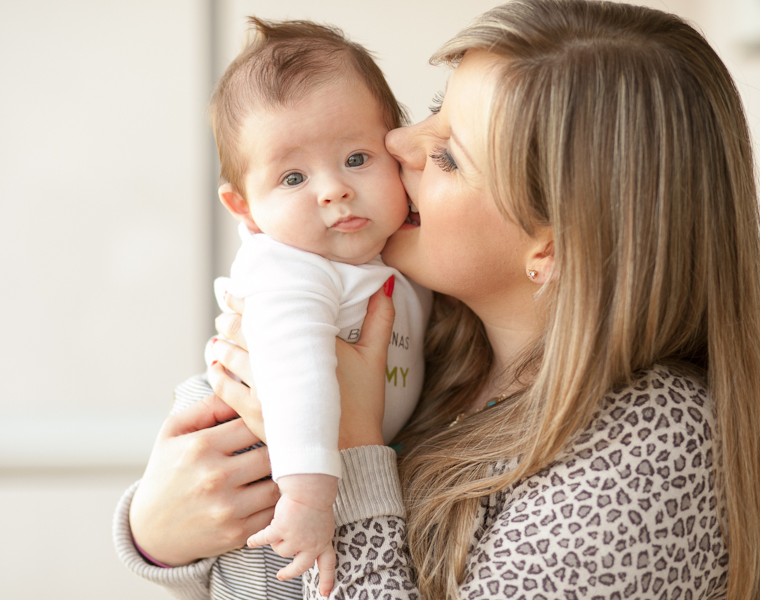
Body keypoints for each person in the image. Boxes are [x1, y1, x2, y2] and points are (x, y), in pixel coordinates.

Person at [114, 1, 760, 598]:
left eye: (448, 155)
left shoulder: (654, 444)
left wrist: (350, 452)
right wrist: (162, 535)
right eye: (430, 109)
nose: (397, 142)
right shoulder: (440, 344)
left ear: (552, 249)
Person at [125, 17, 432, 597]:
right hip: (269, 462)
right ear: (244, 208)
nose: (333, 189)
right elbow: (297, 377)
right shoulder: (289, 269)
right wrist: (307, 498)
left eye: (358, 158)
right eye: (293, 176)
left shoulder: (392, 256)